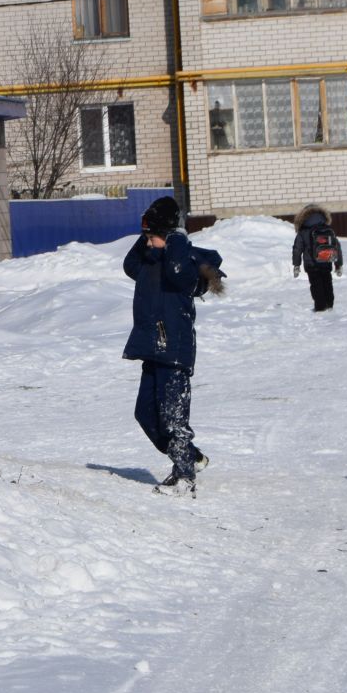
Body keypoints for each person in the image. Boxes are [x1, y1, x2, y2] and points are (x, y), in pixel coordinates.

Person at [123, 195, 224, 496]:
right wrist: (147, 242)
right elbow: (129, 265)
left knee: (173, 417)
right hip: (151, 347)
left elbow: (177, 274)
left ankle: (183, 475)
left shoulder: (182, 261)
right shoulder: (151, 260)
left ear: (168, 235)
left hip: (174, 349)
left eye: (152, 236)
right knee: (145, 413)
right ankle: (191, 456)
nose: (147, 241)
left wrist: (175, 239)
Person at [291, 203, 344, 312]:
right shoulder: (327, 228)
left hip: (311, 264)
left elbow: (297, 249)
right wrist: (338, 264)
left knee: (316, 285)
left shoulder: (303, 231)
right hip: (326, 260)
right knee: (327, 283)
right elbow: (336, 247)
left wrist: (296, 264)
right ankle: (329, 305)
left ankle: (320, 308)